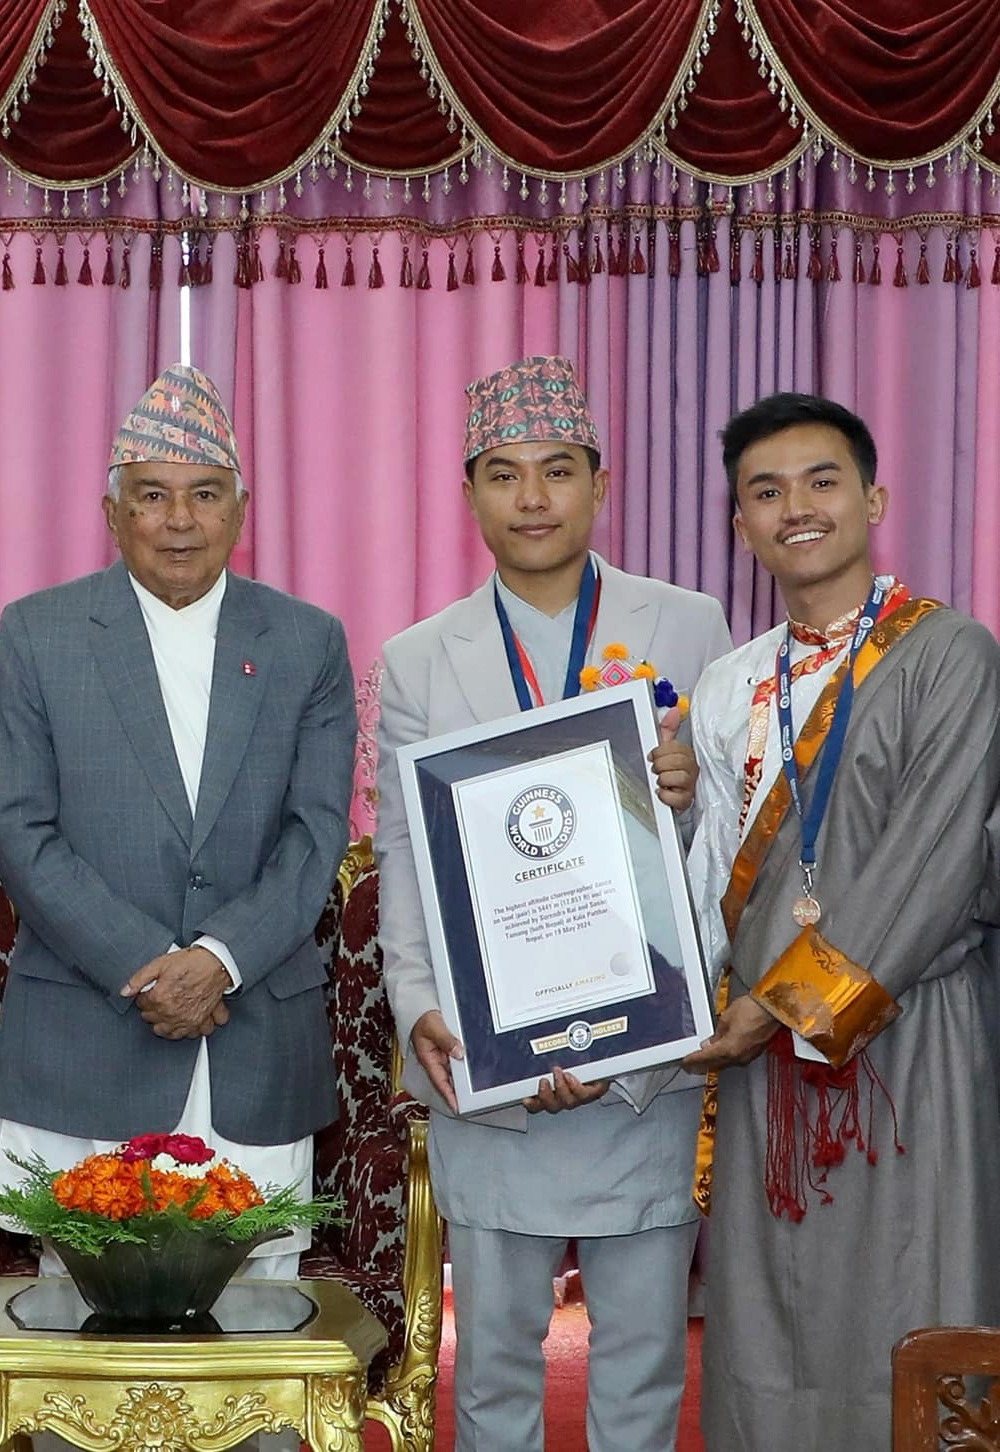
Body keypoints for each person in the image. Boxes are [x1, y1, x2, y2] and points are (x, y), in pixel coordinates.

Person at [375, 355, 732, 1452]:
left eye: (557, 471)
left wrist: (685, 792)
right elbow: (402, 848)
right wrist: (424, 1004)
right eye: (504, 473)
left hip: (642, 1066)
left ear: (601, 484)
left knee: (640, 1367)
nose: (533, 497)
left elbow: (727, 838)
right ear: (471, 491)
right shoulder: (420, 657)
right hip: (490, 1063)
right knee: (487, 1375)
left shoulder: (688, 625)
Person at [0, 364, 356, 1281]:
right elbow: (20, 828)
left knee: (262, 1341)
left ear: (240, 510)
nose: (178, 520)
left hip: (254, 1036)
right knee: (80, 1335)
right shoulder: (38, 632)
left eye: (203, 495)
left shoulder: (307, 640)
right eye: (152, 496)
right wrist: (147, 969)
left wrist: (217, 960)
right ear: (113, 512)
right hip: (85, 1036)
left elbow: (316, 834)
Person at [685, 391, 1000, 1450]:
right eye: (764, 492)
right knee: (769, 1321)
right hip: (764, 1059)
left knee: (918, 1299)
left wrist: (781, 1009)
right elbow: (710, 880)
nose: (796, 508)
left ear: (872, 497)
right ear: (740, 525)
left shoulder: (953, 656)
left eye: (822, 482)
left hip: (913, 1047)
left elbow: (938, 861)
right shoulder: (729, 686)